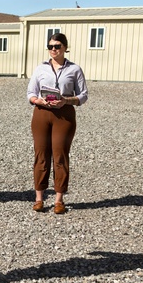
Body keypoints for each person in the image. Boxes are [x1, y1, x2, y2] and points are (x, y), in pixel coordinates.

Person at [26, 33, 88, 214]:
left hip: (64, 116)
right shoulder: (40, 69)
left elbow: (83, 95)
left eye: (57, 46)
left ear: (65, 47)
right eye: (51, 46)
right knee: (41, 155)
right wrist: (38, 101)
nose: (54, 49)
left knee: (60, 156)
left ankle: (59, 199)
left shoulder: (75, 69)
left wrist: (66, 101)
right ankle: (39, 198)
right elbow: (30, 92)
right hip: (42, 114)